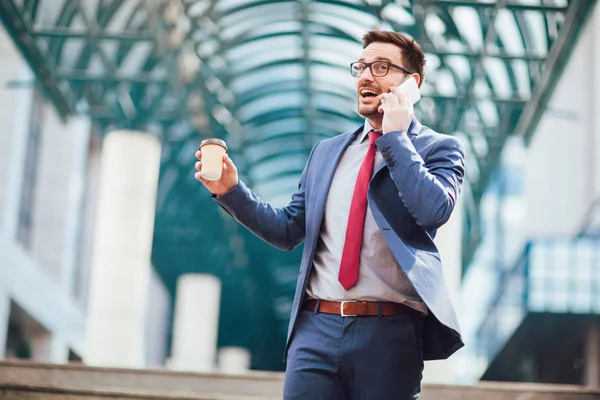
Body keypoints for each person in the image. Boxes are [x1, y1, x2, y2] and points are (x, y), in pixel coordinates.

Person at [195, 30, 465, 400]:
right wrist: (231, 191)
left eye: (382, 67)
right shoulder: (326, 152)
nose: (366, 76)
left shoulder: (439, 149)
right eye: (362, 66)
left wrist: (396, 139)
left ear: (411, 84)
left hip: (390, 333)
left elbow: (433, 210)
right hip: (315, 330)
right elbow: (289, 229)